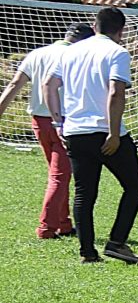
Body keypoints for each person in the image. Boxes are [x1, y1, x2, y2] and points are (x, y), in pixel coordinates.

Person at [46, 6, 138, 264]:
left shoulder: (71, 51)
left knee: (84, 192)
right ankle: (116, 242)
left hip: (76, 131)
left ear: (94, 24)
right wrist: (113, 133)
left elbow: (49, 84)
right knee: (134, 186)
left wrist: (59, 122)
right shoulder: (117, 52)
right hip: (104, 131)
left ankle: (87, 252)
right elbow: (115, 92)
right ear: (121, 31)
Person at [0, 24, 83, 239]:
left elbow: (14, 84)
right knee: (60, 176)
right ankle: (46, 228)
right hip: (62, 122)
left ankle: (64, 223)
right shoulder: (75, 55)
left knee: (58, 174)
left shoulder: (37, 53)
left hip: (38, 121)